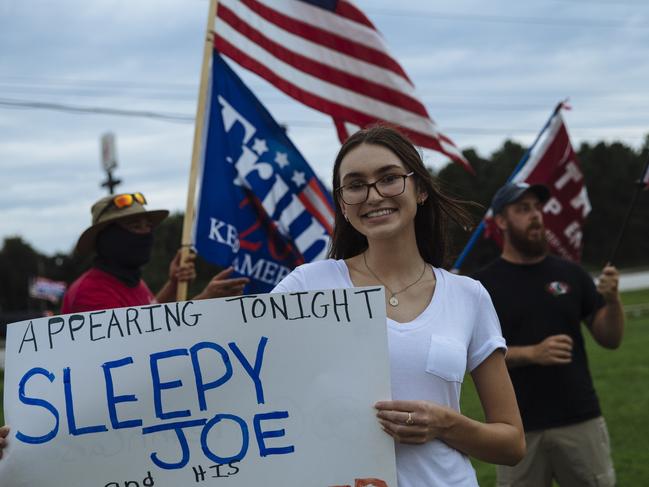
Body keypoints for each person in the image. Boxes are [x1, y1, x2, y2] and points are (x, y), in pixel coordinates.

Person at [272, 126, 525, 486]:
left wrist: (445, 424)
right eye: (356, 185)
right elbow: (247, 378)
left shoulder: (469, 296)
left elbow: (512, 443)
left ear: (420, 189)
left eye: (389, 178)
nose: (373, 195)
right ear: (343, 204)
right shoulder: (306, 287)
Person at [472, 181, 624, 487]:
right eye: (523, 209)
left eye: (538, 208)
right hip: (517, 429)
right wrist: (532, 353)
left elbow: (610, 338)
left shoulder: (570, 273)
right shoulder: (482, 287)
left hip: (580, 420)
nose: (536, 216)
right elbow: (473, 358)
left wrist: (613, 300)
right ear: (500, 220)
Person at [60, 192, 249, 313]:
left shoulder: (133, 282)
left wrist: (174, 284)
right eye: (135, 226)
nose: (146, 233)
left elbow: (149, 316)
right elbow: (136, 347)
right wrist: (205, 301)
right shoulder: (91, 292)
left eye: (148, 226)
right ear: (108, 238)